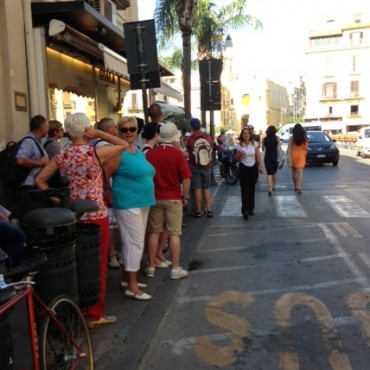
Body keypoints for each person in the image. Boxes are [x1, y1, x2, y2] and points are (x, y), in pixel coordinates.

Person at [34, 112, 130, 328]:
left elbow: (40, 180)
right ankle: (95, 313)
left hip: (72, 217)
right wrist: (98, 134)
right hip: (96, 215)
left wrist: (57, 200)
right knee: (97, 267)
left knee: (77, 265)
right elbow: (124, 144)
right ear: (87, 130)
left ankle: (78, 309)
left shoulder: (61, 155)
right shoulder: (95, 153)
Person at [104, 116, 155, 301]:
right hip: (127, 202)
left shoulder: (136, 150)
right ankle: (132, 286)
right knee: (135, 244)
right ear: (118, 131)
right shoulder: (117, 152)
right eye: (124, 129)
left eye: (131, 129)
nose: (128, 133)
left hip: (142, 202)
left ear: (137, 131)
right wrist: (108, 196)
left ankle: (127, 279)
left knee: (131, 242)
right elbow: (105, 177)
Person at [145, 122, 191, 279]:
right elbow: (186, 179)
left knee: (154, 232)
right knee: (174, 234)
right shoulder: (178, 154)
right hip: (173, 197)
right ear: (174, 138)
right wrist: (185, 196)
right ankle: (175, 268)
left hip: (155, 197)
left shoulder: (150, 154)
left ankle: (150, 266)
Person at [91, 117, 121, 269]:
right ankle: (111, 254)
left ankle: (110, 252)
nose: (116, 129)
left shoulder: (94, 144)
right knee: (111, 224)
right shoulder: (106, 146)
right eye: (115, 127)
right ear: (109, 130)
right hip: (105, 190)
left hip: (96, 190)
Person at [13, 115, 50, 221]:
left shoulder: (37, 142)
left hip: (34, 186)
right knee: (34, 218)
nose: (48, 129)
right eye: (46, 127)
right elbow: (20, 160)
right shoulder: (28, 141)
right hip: (28, 188)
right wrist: (40, 163)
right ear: (42, 128)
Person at [185, 118, 213, 218]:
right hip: (207, 165)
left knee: (197, 188)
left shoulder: (190, 139)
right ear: (200, 125)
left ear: (191, 127)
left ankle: (198, 211)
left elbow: (188, 152)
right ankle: (209, 210)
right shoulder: (207, 137)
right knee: (206, 188)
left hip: (194, 166)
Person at [235, 127, 264, 220]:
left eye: (248, 133)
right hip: (243, 168)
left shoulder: (254, 144)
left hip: (253, 168)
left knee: (251, 188)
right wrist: (239, 155)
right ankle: (245, 210)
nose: (246, 135)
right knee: (244, 189)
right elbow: (236, 159)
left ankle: (251, 208)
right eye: (244, 133)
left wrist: (261, 166)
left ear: (250, 135)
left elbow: (258, 156)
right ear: (242, 135)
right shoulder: (239, 146)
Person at [287, 123, 308, 194]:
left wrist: (289, 159)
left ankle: (295, 186)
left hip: (293, 156)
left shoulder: (291, 138)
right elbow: (306, 149)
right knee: (300, 172)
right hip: (301, 157)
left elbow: (289, 149)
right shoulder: (304, 138)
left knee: (294, 172)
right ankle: (299, 187)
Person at [263, 125, 282, 196]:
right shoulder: (277, 138)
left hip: (267, 157)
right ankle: (274, 186)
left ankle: (270, 188)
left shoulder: (264, 139)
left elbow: (263, 149)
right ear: (275, 131)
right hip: (275, 157)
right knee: (274, 172)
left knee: (269, 173)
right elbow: (279, 149)